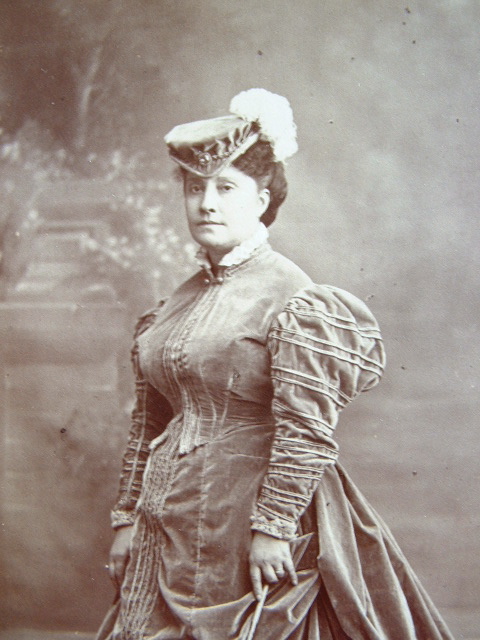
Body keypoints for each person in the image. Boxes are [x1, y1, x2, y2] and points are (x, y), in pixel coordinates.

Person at [96, 89, 455, 639]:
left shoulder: (292, 297)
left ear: (261, 200)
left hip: (251, 517)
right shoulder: (178, 301)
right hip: (169, 517)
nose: (207, 204)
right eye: (195, 189)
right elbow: (149, 423)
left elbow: (306, 429)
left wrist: (274, 528)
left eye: (226, 188)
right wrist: (127, 519)